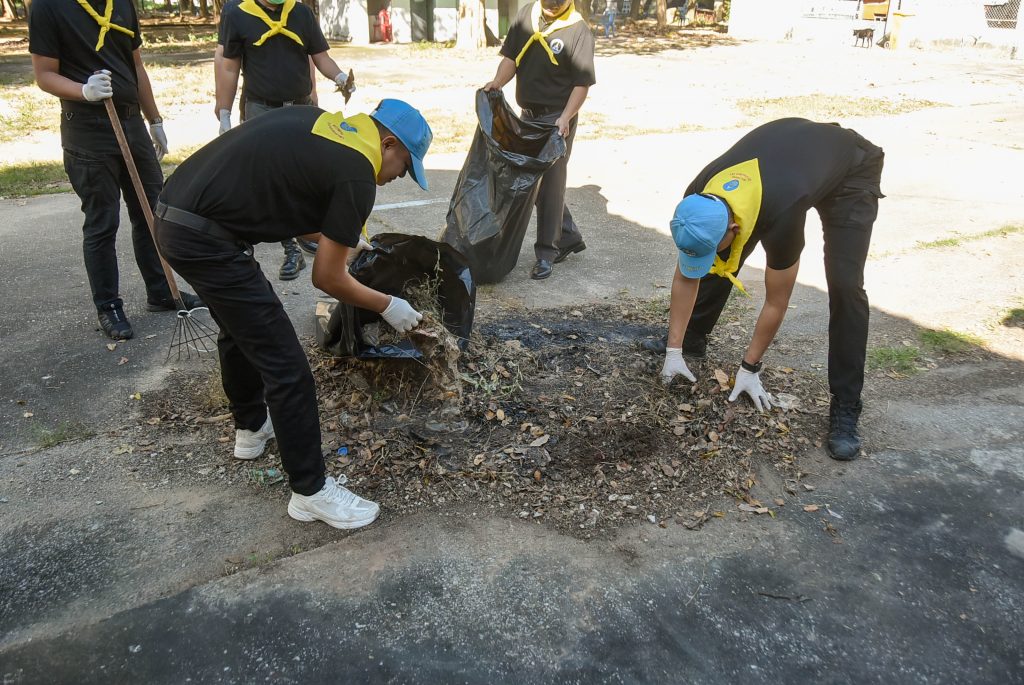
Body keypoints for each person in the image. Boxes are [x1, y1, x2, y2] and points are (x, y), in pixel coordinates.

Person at [153, 99, 431, 529]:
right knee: (287, 367)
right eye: (405, 166)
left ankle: (251, 429)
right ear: (389, 143)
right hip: (206, 240)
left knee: (240, 327)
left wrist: (340, 237)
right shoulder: (358, 173)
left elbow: (284, 197)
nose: (399, 177)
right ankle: (310, 492)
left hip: (176, 216)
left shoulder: (323, 125)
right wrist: (388, 305)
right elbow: (327, 278)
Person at [660, 118, 885, 461]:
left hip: (850, 170)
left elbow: (777, 301)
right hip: (793, 162)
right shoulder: (696, 201)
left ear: (734, 226)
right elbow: (687, 274)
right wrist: (673, 350)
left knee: (845, 285)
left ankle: (846, 405)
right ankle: (691, 340)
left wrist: (749, 368)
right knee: (721, 257)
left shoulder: (783, 213)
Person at [28, 0, 200, 340]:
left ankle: (161, 291)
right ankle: (108, 306)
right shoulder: (48, 6)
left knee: (152, 211)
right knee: (102, 222)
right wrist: (83, 91)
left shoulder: (121, 3)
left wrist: (155, 119)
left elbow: (136, 65)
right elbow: (44, 74)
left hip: (131, 123)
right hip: (86, 128)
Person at [214, 0, 356, 281]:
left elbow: (320, 57)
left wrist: (340, 76)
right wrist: (224, 113)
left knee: (308, 175)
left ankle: (308, 233)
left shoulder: (300, 12)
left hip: (301, 108)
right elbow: (229, 66)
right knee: (271, 179)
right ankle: (291, 249)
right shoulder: (237, 13)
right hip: (261, 109)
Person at [483, 0, 596, 281]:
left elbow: (581, 84)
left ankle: (546, 252)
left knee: (551, 183)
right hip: (528, 116)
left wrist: (566, 117)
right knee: (530, 179)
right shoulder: (527, 16)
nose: (551, 6)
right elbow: (511, 57)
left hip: (558, 119)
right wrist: (497, 82)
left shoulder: (578, 30)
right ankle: (567, 234)